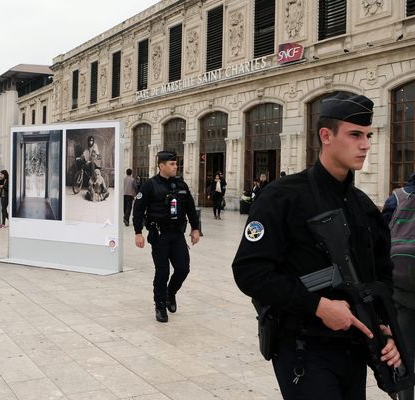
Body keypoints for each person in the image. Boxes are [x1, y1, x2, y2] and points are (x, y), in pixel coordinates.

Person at [232, 93, 401, 399]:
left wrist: (387, 328)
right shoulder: (281, 197)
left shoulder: (364, 208)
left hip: (355, 348)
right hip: (302, 348)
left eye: (368, 136)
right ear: (326, 135)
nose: (365, 144)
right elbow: (249, 271)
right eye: (354, 135)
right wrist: (318, 306)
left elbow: (382, 278)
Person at [133, 150, 200, 323]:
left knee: (183, 268)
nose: (175, 166)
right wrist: (138, 232)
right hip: (160, 235)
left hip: (177, 234)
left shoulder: (181, 185)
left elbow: (191, 208)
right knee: (162, 272)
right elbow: (138, 209)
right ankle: (160, 305)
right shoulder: (150, 185)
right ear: (161, 166)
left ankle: (171, 293)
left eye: (176, 164)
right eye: (172, 164)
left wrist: (195, 228)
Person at [381, 173, 415, 400]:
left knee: (404, 353)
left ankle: (403, 394)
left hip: (401, 290)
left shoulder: (397, 197)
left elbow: (379, 242)